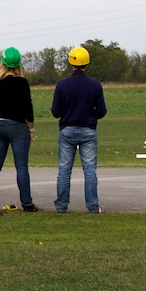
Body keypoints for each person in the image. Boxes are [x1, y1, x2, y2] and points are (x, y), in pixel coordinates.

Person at [51, 46, 108, 214]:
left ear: (71, 63)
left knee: (64, 170)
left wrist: (67, 112)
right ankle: (92, 206)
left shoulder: (62, 85)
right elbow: (102, 111)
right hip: (88, 130)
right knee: (90, 171)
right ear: (87, 64)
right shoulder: (95, 85)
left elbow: (55, 112)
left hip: (67, 130)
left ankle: (61, 206)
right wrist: (91, 115)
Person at [0, 47, 39, 211]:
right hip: (17, 126)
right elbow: (28, 107)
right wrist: (31, 129)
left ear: (2, 62)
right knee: (21, 166)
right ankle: (27, 203)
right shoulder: (22, 83)